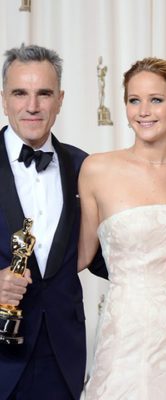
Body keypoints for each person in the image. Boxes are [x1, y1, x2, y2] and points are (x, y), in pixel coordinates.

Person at [78, 57, 166, 399]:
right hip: (125, 328)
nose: (144, 111)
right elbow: (79, 256)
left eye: (156, 100)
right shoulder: (96, 169)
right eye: (134, 100)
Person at [0, 44, 106, 400]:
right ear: (3, 98)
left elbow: (109, 253)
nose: (32, 106)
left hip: (62, 356)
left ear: (60, 100)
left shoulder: (84, 167)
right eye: (20, 93)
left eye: (43, 93)